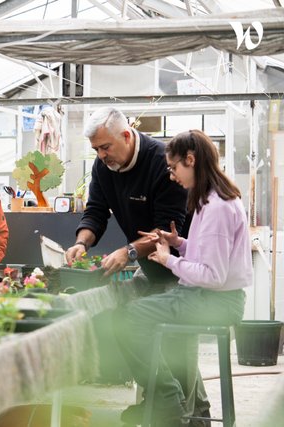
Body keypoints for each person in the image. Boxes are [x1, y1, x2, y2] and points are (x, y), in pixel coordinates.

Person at [63, 107, 213, 425]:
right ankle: (177, 405)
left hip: (186, 268)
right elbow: (96, 210)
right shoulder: (104, 168)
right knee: (127, 322)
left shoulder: (163, 163)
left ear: (127, 136)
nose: (102, 155)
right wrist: (82, 242)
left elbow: (168, 228)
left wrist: (128, 252)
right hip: (153, 264)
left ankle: (177, 412)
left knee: (170, 337)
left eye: (106, 147)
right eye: (96, 150)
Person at [114, 129, 251, 426]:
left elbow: (213, 276)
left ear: (191, 160)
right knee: (133, 315)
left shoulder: (216, 208)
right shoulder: (209, 200)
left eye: (174, 168)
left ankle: (166, 401)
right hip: (207, 296)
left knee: (129, 319)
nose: (172, 176)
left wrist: (169, 260)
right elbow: (207, 255)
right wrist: (178, 243)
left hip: (215, 300)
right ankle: (175, 402)